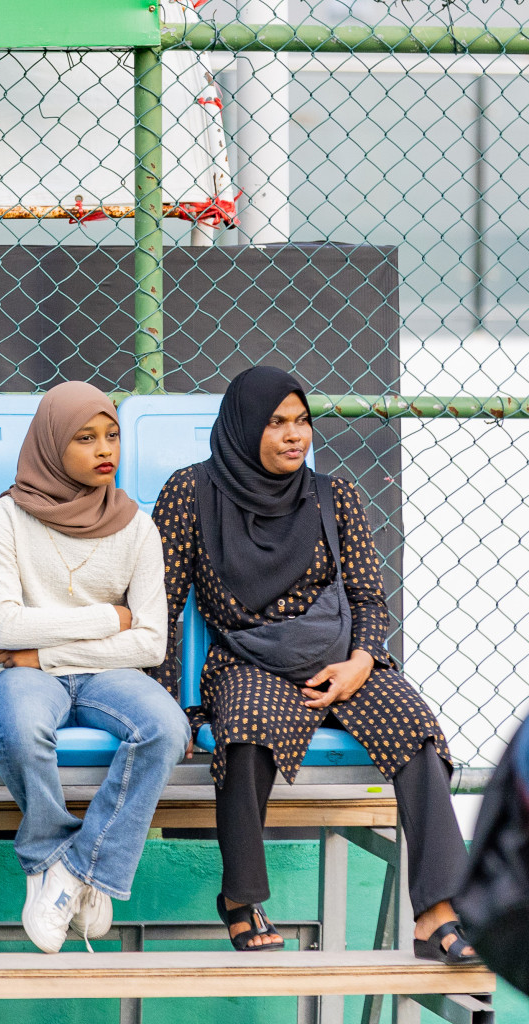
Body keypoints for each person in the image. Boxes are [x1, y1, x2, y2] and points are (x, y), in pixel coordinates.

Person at [151, 365, 480, 961]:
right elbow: (162, 607)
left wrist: (361, 662)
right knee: (246, 730)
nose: (294, 435)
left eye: (302, 421)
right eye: (277, 423)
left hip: (341, 660)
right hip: (249, 658)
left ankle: (436, 911)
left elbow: (368, 601)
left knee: (416, 728)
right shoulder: (191, 493)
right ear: (243, 427)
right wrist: (167, 704)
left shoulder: (335, 495)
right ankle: (242, 898)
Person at [0, 382, 188, 954]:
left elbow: (149, 644)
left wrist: (45, 652)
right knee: (21, 729)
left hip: (94, 672)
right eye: (86, 437)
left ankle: (78, 870)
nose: (106, 450)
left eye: (113, 436)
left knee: (167, 728)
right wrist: (109, 618)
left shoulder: (138, 528)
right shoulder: (6, 519)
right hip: (22, 675)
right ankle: (46, 855)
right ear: (50, 445)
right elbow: (5, 629)